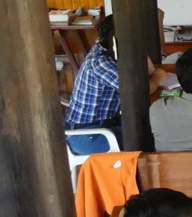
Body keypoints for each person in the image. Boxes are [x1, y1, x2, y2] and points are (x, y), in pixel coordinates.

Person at [65, 14, 166, 153]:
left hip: (104, 125)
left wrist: (141, 51)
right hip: (88, 136)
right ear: (116, 40)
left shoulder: (105, 49)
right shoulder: (101, 62)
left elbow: (149, 69)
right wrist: (158, 79)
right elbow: (139, 91)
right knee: (154, 138)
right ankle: (138, 174)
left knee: (152, 128)